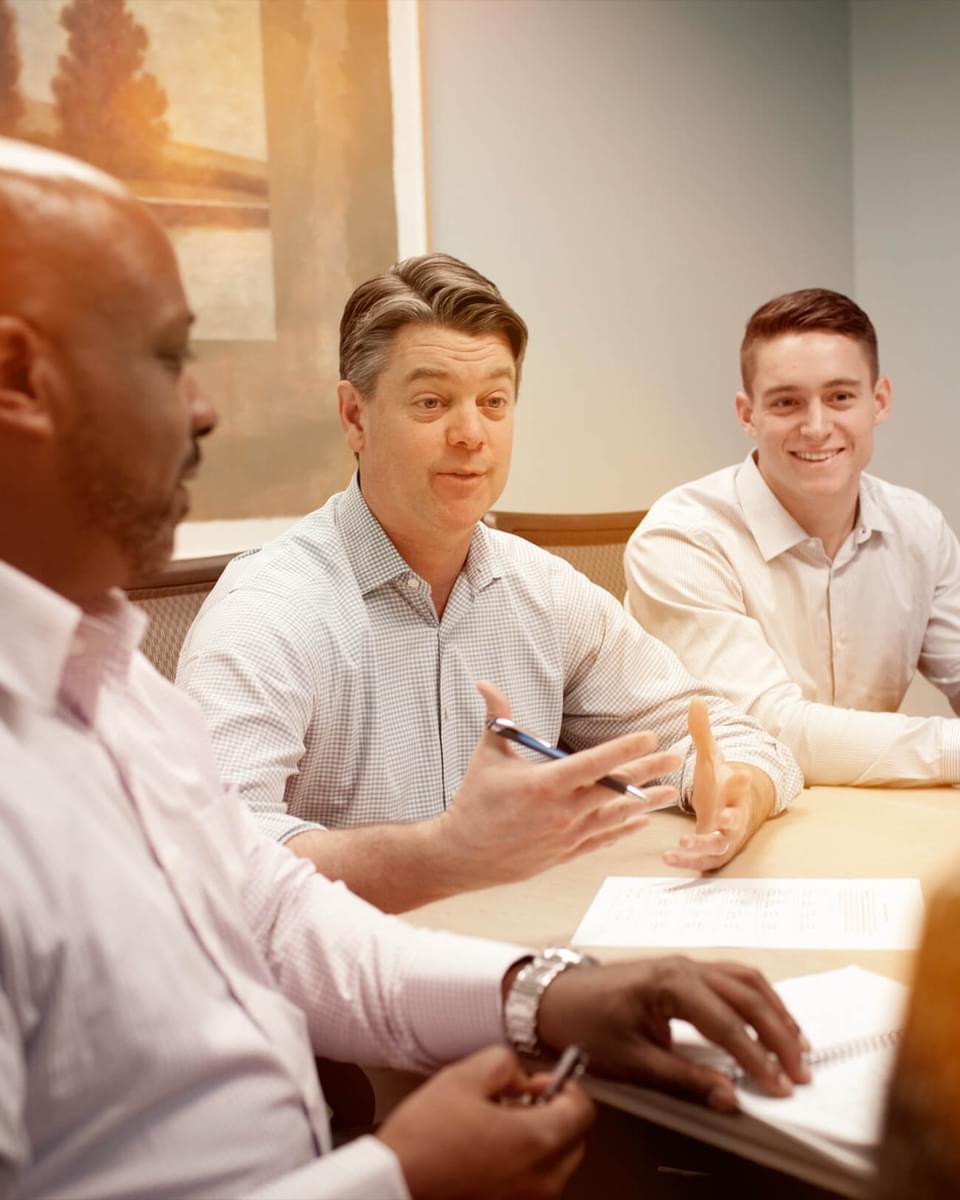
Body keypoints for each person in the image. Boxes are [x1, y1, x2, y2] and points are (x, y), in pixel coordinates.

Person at [0, 137, 811, 1200]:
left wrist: (545, 993)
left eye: (495, 402)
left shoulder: (115, 684)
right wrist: (395, 1175)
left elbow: (267, 908)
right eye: (165, 358)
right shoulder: (267, 612)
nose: (204, 408)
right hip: (361, 1102)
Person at [176, 255, 802, 911]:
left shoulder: (542, 591)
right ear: (355, 417)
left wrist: (739, 788)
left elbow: (723, 736)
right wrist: (438, 855)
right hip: (346, 965)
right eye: (432, 402)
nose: (471, 434)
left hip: (526, 949)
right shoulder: (268, 611)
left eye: (493, 403)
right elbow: (213, 856)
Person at [624, 287, 960, 787]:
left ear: (879, 401)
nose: (817, 427)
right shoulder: (682, 540)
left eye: (840, 397)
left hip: (871, 807)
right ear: (747, 414)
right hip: (720, 812)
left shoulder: (919, 527)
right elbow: (766, 731)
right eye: (787, 402)